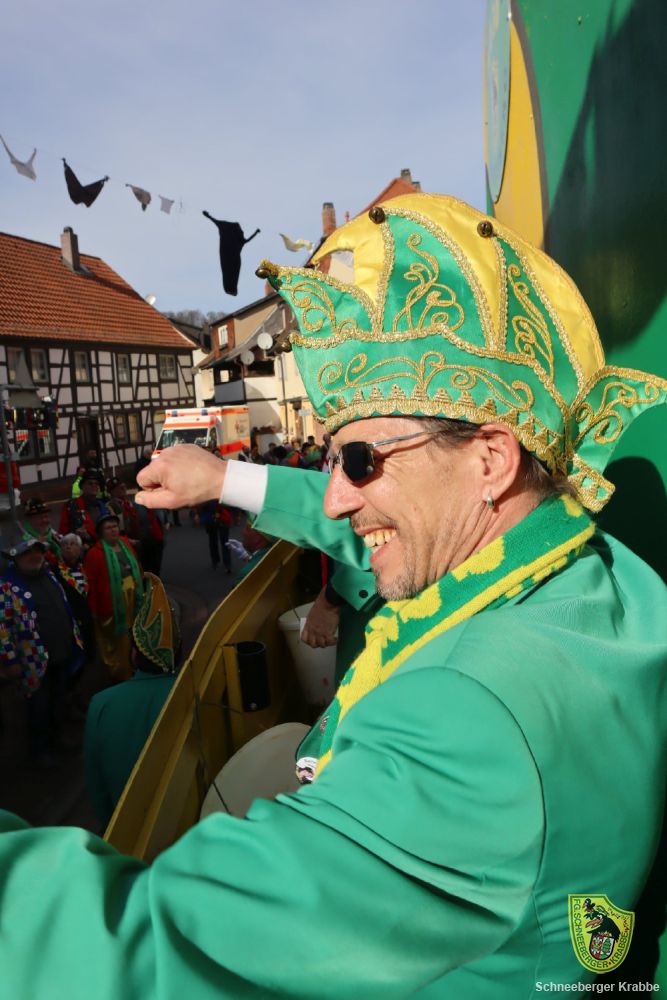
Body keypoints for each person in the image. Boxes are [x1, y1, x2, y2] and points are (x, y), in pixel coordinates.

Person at [1, 194, 666, 997]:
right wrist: (224, 478)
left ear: (490, 459)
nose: (338, 498)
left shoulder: (472, 712)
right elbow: (413, 521)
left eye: (356, 462)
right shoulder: (581, 565)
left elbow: (161, 949)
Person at [84, 573, 179, 829]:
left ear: (135, 654)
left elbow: (97, 786)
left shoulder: (101, 704)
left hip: (126, 831)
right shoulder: (194, 690)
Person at [0, 538, 84, 764]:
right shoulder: (6, 587)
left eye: (38, 551)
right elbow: (2, 629)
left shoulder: (49, 575)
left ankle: (57, 738)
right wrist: (10, 661)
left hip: (61, 652)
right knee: (38, 707)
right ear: (16, 557)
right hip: (32, 660)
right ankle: (40, 751)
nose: (35, 556)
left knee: (57, 700)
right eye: (28, 553)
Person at [83, 513, 143, 682]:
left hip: (133, 598)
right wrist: (94, 610)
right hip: (113, 604)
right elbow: (91, 586)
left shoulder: (125, 543)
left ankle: (136, 665)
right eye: (108, 528)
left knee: (135, 634)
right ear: (101, 532)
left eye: (115, 526)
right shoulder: (94, 554)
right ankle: (122, 673)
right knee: (119, 640)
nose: (113, 530)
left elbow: (137, 566)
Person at [59, 469, 109, 550]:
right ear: (82, 486)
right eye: (90, 483)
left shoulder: (103, 506)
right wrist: (75, 535)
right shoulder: (70, 506)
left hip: (105, 548)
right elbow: (63, 533)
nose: (94, 486)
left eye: (96, 484)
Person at [21, 496, 62, 564]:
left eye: (46, 516)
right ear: (29, 520)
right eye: (39, 518)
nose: (44, 520)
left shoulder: (54, 535)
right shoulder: (23, 540)